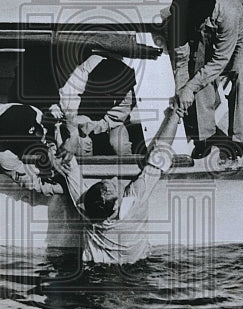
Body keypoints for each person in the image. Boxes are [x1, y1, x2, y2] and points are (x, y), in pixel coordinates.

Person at [52, 106, 181, 265]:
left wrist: (61, 127)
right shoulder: (134, 204)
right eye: (114, 186)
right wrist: (175, 114)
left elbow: (68, 163)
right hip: (136, 268)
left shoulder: (84, 208)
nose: (114, 177)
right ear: (115, 207)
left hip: (96, 267)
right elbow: (159, 156)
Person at [166, 0, 243, 159]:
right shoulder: (182, 15)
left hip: (242, 36)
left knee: (241, 74)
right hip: (212, 37)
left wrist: (190, 88)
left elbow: (219, 61)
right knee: (198, 74)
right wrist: (182, 91)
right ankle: (205, 136)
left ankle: (237, 138)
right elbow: (182, 60)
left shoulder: (228, 13)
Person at [58, 52, 139, 158]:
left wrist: (98, 126)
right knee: (81, 143)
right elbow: (68, 96)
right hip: (84, 113)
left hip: (112, 120)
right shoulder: (87, 68)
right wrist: (73, 134)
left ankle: (127, 172)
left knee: (120, 144)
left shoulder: (129, 86)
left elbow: (116, 119)